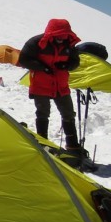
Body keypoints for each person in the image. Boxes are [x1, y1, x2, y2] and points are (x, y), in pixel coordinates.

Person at [17, 18, 82, 150]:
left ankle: (72, 145)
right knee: (42, 113)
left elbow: (75, 62)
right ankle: (43, 142)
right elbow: (24, 60)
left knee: (68, 113)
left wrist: (67, 65)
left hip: (61, 85)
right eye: (59, 35)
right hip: (41, 84)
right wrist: (42, 67)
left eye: (64, 35)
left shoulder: (69, 44)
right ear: (51, 33)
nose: (62, 37)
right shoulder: (37, 43)